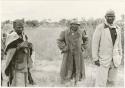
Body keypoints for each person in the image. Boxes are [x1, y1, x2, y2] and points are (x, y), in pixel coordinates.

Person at [92, 10, 122, 87]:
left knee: (112, 81)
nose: (110, 18)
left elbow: (119, 45)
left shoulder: (118, 28)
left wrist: (120, 56)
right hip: (103, 59)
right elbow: (95, 44)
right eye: (108, 16)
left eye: (112, 16)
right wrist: (95, 58)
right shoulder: (100, 28)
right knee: (100, 82)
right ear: (105, 17)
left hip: (115, 59)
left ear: (114, 17)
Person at [4, 19, 34, 86]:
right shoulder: (11, 37)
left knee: (24, 83)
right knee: (17, 83)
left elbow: (27, 48)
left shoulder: (24, 36)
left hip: (24, 64)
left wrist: (29, 46)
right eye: (18, 27)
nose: (21, 29)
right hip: (15, 65)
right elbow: (9, 52)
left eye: (22, 27)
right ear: (14, 27)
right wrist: (20, 47)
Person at [57, 20, 88, 85]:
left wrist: (82, 47)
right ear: (70, 25)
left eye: (76, 24)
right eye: (73, 24)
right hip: (68, 53)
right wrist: (64, 47)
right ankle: (67, 80)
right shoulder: (65, 32)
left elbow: (86, 40)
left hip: (78, 53)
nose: (74, 26)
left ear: (78, 25)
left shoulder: (81, 32)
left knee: (78, 66)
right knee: (67, 66)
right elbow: (59, 40)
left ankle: (77, 80)